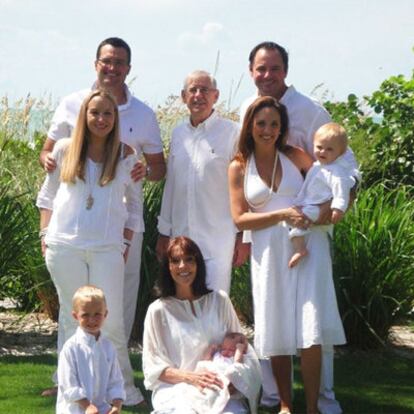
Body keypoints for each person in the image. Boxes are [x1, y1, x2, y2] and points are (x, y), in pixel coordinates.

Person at [240, 41, 354, 414]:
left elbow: (344, 174)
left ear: (285, 70)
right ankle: (277, 398)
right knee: (274, 320)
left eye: (274, 68)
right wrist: (244, 236)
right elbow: (244, 187)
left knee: (311, 321)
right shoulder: (247, 109)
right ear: (251, 71)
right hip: (268, 240)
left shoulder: (311, 111)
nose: (267, 75)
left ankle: (321, 399)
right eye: (260, 69)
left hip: (310, 234)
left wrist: (321, 213)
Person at [39, 37, 166, 347]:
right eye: (107, 61)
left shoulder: (144, 114)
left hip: (120, 227)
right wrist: (52, 163)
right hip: (73, 227)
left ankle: (115, 378)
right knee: (76, 306)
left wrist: (143, 172)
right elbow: (48, 153)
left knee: (117, 303)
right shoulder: (72, 103)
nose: (113, 67)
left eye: (119, 62)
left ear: (128, 68)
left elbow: (158, 169)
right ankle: (69, 377)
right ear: (96, 64)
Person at [37, 89, 143, 405]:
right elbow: (47, 197)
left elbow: (135, 207)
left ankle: (124, 392)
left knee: (111, 322)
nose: (101, 119)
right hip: (64, 246)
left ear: (116, 119)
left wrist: (124, 243)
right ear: (84, 116)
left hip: (107, 248)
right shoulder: (65, 148)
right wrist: (44, 236)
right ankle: (72, 394)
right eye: (94, 113)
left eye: (107, 114)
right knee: (73, 321)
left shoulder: (127, 157)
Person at [143, 236, 261, 413]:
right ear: (168, 267)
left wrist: (234, 382)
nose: (183, 266)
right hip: (176, 389)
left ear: (198, 264)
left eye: (189, 259)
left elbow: (242, 347)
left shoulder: (219, 300)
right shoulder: (158, 310)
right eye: (176, 261)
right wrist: (192, 377)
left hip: (218, 386)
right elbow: (153, 367)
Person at [156, 70, 248, 293]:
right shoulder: (178, 134)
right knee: (182, 304)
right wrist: (163, 232)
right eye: (193, 90)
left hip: (218, 240)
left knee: (215, 304)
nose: (198, 95)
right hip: (181, 240)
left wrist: (244, 237)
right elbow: (171, 186)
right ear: (183, 96)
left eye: (204, 90)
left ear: (215, 96)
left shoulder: (233, 133)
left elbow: (244, 188)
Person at [288, 123, 360, 268]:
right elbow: (307, 186)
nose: (323, 152)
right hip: (310, 203)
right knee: (293, 218)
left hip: (319, 206)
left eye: (329, 149)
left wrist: (338, 208)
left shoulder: (336, 171)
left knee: (298, 219)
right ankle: (299, 247)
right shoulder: (316, 167)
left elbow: (341, 190)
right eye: (319, 147)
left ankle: (300, 249)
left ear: (340, 152)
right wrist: (299, 201)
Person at [57, 285, 125, 414]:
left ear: (105, 314)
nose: (92, 320)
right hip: (75, 409)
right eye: (85, 315)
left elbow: (115, 380)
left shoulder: (108, 347)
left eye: (97, 314)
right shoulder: (71, 348)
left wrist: (116, 404)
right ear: (75, 315)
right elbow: (68, 384)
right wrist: (87, 406)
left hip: (100, 407)